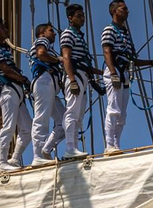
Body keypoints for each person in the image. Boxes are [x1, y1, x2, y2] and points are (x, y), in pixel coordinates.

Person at [101, 1, 153, 153]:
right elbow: (107, 51)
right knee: (113, 109)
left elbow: (132, 59)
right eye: (124, 8)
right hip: (114, 71)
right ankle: (109, 145)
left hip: (124, 73)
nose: (128, 11)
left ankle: (116, 144)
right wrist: (113, 73)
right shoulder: (109, 30)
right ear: (114, 11)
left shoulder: (126, 34)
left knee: (122, 114)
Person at [0, 18, 32, 169]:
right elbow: (5, 69)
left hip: (16, 91)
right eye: (2, 28)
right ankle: (2, 162)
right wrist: (23, 79)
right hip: (8, 90)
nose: (6, 30)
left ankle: (14, 159)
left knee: (27, 128)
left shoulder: (5, 49)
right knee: (8, 127)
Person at [61, 4, 101, 156]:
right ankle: (69, 148)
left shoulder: (79, 36)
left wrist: (103, 73)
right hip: (75, 76)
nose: (82, 18)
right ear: (70, 18)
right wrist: (72, 80)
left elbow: (85, 63)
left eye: (83, 15)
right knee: (72, 112)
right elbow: (66, 57)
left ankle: (74, 148)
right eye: (78, 16)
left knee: (79, 116)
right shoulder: (68, 34)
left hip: (83, 76)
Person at [29, 23, 66, 163]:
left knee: (64, 121)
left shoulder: (50, 47)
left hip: (50, 86)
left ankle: (46, 149)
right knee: (41, 119)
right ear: (42, 33)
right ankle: (38, 156)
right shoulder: (42, 41)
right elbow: (41, 54)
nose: (55, 33)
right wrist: (58, 60)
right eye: (51, 31)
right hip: (44, 82)